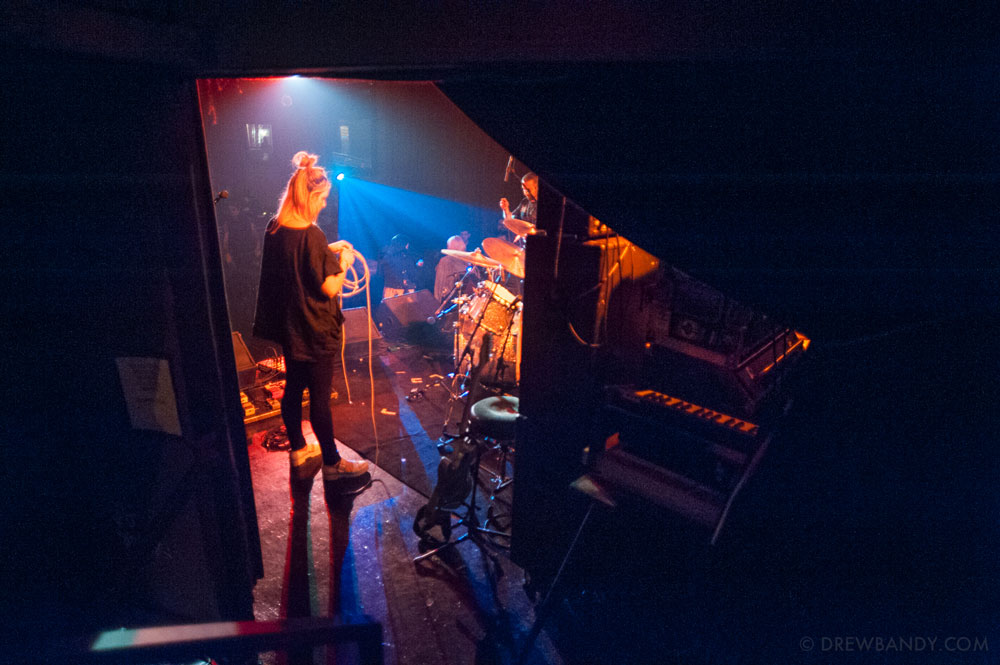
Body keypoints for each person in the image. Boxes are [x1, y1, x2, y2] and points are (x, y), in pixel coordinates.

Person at [253, 151, 370, 482]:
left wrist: (328, 248)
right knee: (320, 398)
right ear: (312, 196)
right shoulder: (311, 235)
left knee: (293, 389)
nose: (323, 205)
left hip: (291, 328)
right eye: (323, 199)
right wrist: (344, 261)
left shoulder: (275, 228)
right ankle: (333, 464)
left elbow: (297, 257)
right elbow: (330, 287)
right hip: (315, 329)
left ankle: (298, 449)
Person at [498, 172, 538, 243]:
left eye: (528, 190)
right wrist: (505, 209)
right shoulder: (524, 202)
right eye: (523, 189)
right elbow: (511, 220)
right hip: (524, 245)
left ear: (537, 187)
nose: (525, 193)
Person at [379, 233, 420, 301]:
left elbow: (381, 272)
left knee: (390, 309)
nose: (408, 246)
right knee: (407, 309)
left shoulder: (386, 255)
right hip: (401, 289)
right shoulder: (405, 256)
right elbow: (411, 271)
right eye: (407, 244)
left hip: (391, 287)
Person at [434, 235, 472, 302]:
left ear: (452, 247)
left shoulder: (446, 261)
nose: (447, 248)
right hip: (469, 300)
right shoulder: (470, 262)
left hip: (451, 301)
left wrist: (436, 305)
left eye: (448, 246)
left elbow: (439, 286)